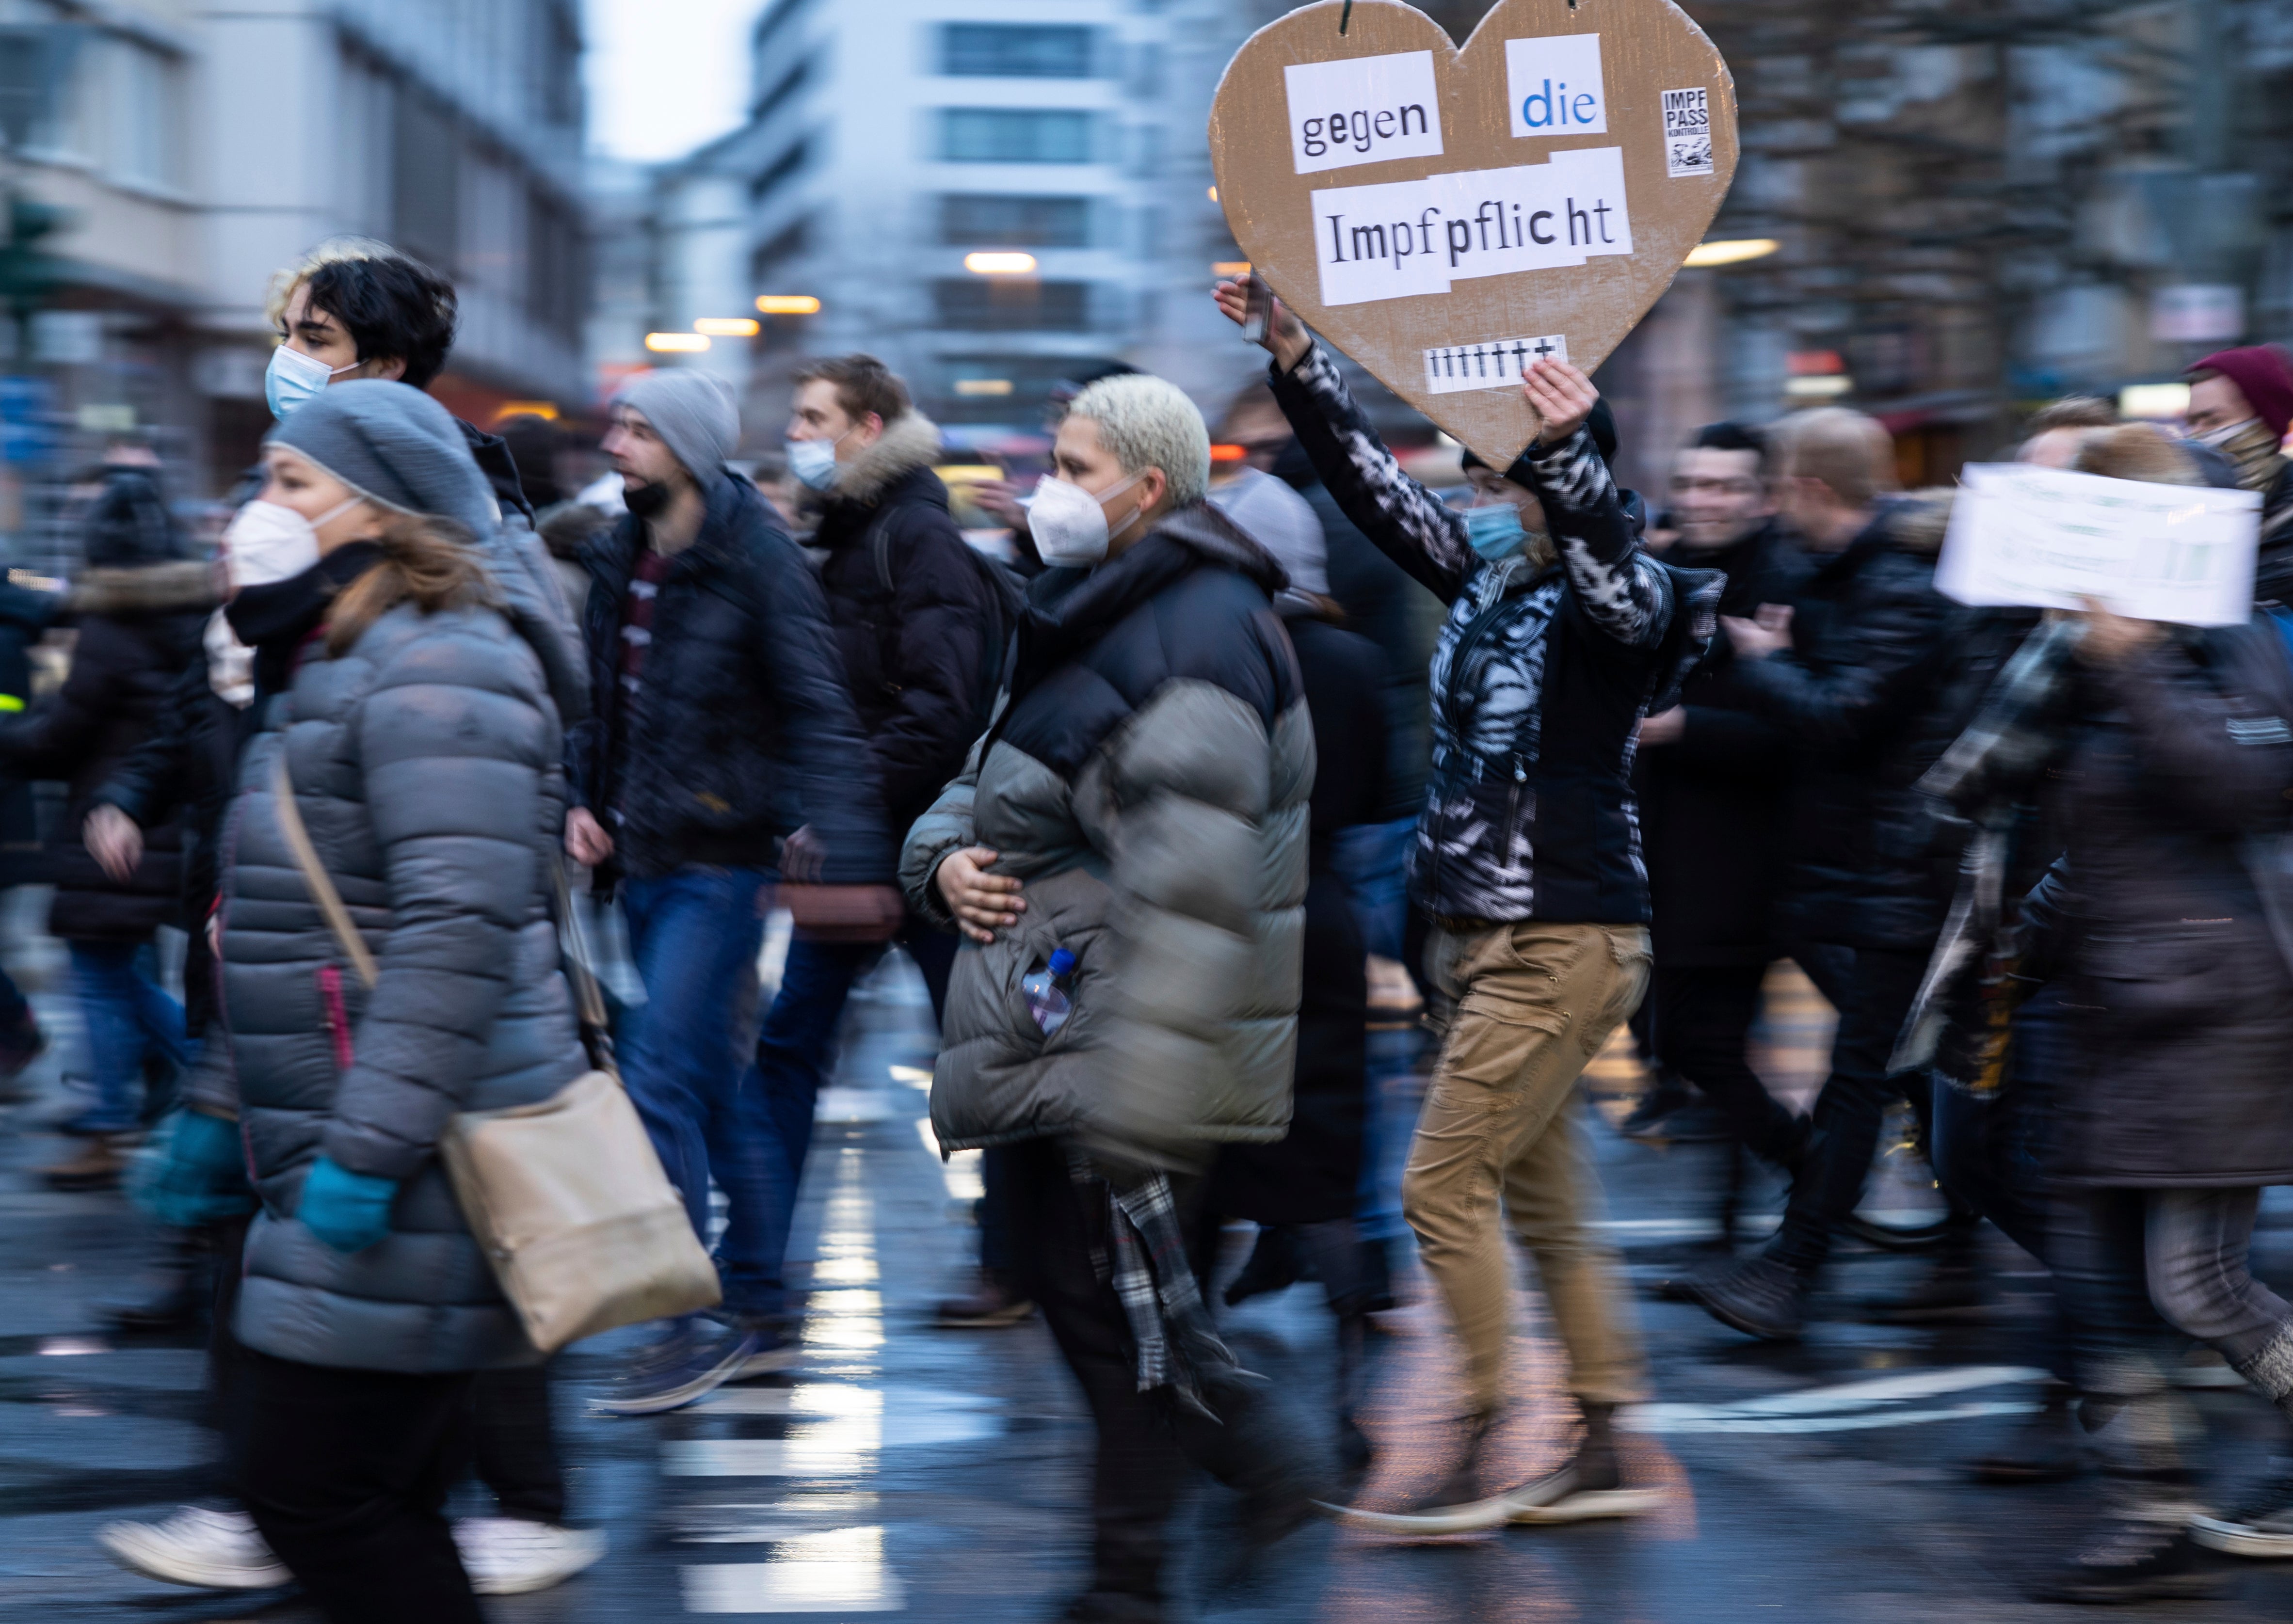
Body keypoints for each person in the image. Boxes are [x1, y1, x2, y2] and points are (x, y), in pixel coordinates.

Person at [1218, 276, 1716, 1528]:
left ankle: (1479, 1435)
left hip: (1566, 930)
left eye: (1498, 484)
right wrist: (1297, 355)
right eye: (1479, 482)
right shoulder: (1493, 585)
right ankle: (1599, 1437)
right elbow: (1374, 491)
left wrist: (1566, 452)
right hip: (1475, 935)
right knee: (1543, 1195)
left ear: (1551, 484)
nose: (1475, 504)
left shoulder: (1625, 605)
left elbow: (1608, 561)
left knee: (1438, 1184)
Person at [901, 371, 1322, 1619]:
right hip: (1057, 1014)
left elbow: (1194, 901)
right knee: (1084, 1295)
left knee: (1118, 1311)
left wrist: (1146, 1099)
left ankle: (1141, 1571)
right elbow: (991, 773)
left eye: (1074, 469)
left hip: (1123, 1043)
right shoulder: (1096, 603)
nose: (1048, 491)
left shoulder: (1195, 628)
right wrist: (946, 862)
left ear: (1146, 489)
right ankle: (1244, 1472)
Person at [199, 380, 594, 1623]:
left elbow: (453, 933)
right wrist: (217, 1107)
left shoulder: (442, 667)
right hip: (356, 1132)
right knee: (378, 1497)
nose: (260, 512)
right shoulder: (354, 652)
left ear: (382, 510)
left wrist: (364, 1151)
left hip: (414, 1152)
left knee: (316, 1494)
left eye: (291, 484)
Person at [565, 368, 894, 1411]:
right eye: (617, 426)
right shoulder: (623, 552)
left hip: (722, 857)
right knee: (715, 1087)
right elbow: (597, 705)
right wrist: (583, 797)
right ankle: (759, 1307)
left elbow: (818, 706)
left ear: (691, 451)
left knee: (659, 1074)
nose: (617, 445)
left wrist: (842, 848)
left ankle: (685, 1320)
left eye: (639, 430)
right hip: (642, 859)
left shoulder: (755, 559)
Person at [2009, 424, 2293, 1601]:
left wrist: (2128, 659)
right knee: (2098, 1287)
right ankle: (2153, 1510)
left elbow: (2243, 786)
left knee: (2196, 1283)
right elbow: (2027, 802)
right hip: (2106, 1004)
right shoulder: (2071, 647)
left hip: (2213, 1008)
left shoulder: (2226, 640)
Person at [1677, 409, 1964, 1340]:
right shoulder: (1840, 569)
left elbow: (1842, 715)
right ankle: (1803, 1262)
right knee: (1884, 1074)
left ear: (1803, 491)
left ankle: (1796, 1266)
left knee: (1869, 1077)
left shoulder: (1899, 584)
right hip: (1841, 871)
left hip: (1890, 872)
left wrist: (1766, 665)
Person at [749, 353, 1018, 1331]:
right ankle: (756, 1270)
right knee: (789, 1050)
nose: (799, 435)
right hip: (867, 849)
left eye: (814, 418)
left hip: (936, 849)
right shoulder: (851, 536)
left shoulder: (919, 540)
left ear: (867, 429)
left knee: (978, 1056)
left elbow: (938, 711)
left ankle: (1012, 1262)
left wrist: (840, 799)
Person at [1199, 461, 1389, 1473]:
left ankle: (1180, 1372)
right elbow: (1377, 791)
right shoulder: (1352, 661)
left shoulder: (1218, 653)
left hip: (1224, 924)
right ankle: (1355, 1398)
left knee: (1200, 1156)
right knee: (1324, 1161)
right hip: (1324, 919)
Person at [0, 450, 211, 1189]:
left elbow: (65, 734)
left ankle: (123, 1116)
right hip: (157, 823)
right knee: (115, 972)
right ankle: (168, 1097)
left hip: (111, 825)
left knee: (99, 974)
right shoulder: (187, 614)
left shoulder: (111, 627)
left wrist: (9, 738)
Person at [1624, 423, 1809, 1158]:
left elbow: (1799, 732)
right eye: (1693, 483)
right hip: (1665, 854)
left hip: (1741, 858)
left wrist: (1682, 728)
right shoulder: (1662, 576)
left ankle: (1810, 1170)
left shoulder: (1783, 583)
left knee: (1702, 1043)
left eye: (1725, 485)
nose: (1703, 500)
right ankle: (1783, 1188)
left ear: (1764, 497)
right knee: (1695, 1042)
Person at [2184, 345, 2293, 601]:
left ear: (2263, 422)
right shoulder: (2185, 509)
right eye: (2192, 423)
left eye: (2214, 421)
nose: (2197, 436)